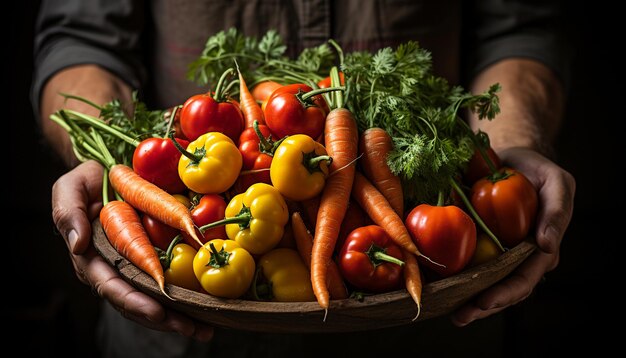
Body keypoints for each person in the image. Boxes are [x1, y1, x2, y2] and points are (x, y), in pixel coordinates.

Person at [33, 1, 576, 357]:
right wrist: (107, 161)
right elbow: (83, 37)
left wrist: (514, 144)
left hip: (433, 325)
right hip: (181, 303)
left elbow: (519, 28)